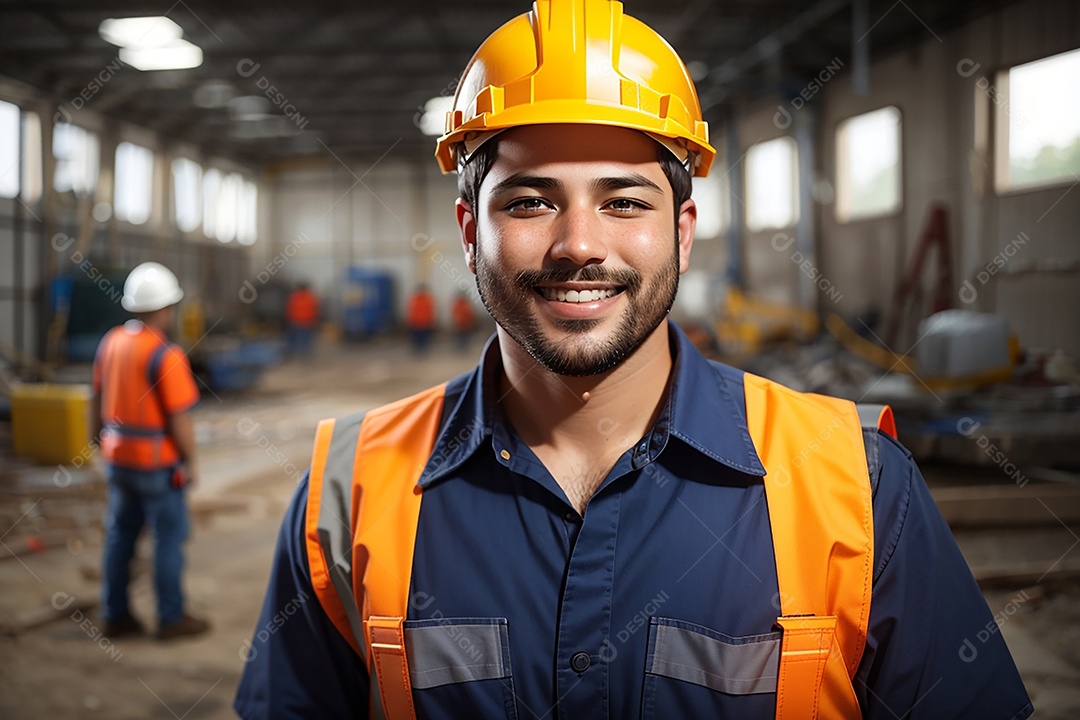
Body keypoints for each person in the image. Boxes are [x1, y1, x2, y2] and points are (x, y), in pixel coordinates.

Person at [235, 1, 1032, 718]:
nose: (579, 244)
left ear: (682, 232)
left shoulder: (858, 485)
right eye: (529, 201)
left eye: (623, 201)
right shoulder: (349, 491)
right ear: (470, 233)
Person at [92, 262, 210, 641]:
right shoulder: (166, 354)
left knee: (120, 536)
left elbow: (96, 397)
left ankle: (115, 616)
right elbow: (179, 419)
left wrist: (97, 441)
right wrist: (190, 461)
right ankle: (171, 619)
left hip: (118, 460)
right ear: (167, 309)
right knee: (168, 538)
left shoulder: (111, 342)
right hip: (157, 466)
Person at [284, 281, 320, 359]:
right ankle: (305, 356)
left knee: (293, 339)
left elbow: (289, 309)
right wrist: (315, 321)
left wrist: (289, 319)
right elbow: (315, 309)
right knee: (306, 340)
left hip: (295, 321)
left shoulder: (294, 297)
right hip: (308, 322)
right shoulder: (311, 297)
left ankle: (291, 355)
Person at [405, 282, 436, 354]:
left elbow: (430, 311)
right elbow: (411, 310)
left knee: (424, 338)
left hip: (425, 322)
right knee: (417, 338)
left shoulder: (427, 300)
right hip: (416, 322)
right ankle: (418, 350)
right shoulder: (415, 299)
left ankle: (422, 350)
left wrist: (430, 320)